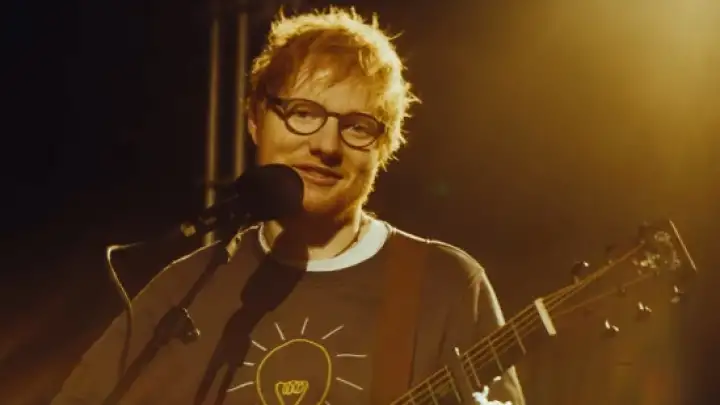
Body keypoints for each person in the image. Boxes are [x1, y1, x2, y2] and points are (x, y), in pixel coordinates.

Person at [51, 7, 525, 405]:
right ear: (255, 119)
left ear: (383, 148)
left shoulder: (444, 286)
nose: (326, 145)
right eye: (303, 114)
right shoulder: (184, 289)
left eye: (358, 126)